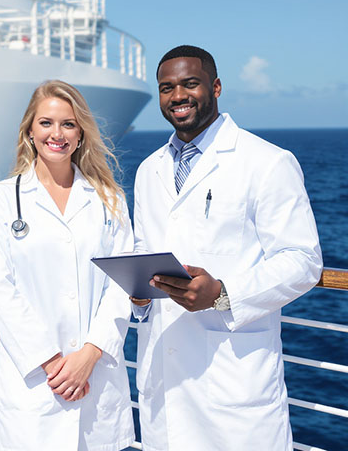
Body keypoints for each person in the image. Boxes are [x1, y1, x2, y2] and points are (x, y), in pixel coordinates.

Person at [131, 45, 322, 451]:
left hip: (232, 377)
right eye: (167, 88)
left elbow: (303, 261)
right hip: (164, 375)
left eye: (190, 84)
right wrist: (138, 296)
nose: (178, 96)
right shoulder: (149, 170)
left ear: (215, 87)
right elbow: (143, 250)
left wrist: (222, 294)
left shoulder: (267, 162)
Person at [0, 80, 135, 451]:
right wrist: (54, 364)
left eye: (68, 124)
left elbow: (122, 284)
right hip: (34, 379)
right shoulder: (3, 199)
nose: (57, 133)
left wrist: (90, 354)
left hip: (95, 376)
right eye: (46, 123)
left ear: (81, 133)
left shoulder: (108, 199)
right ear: (30, 131)